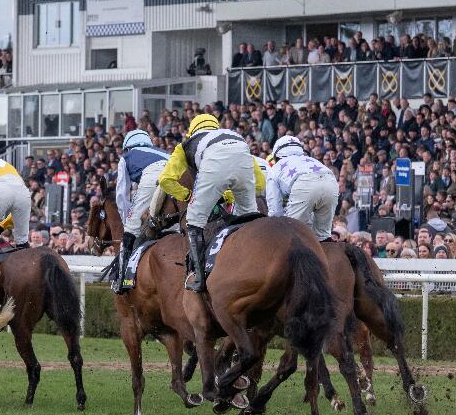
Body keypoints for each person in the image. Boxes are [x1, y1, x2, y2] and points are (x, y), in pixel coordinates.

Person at [156, 113, 258, 293]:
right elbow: (261, 182)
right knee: (248, 217)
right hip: (242, 148)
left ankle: (199, 279)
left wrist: (187, 196)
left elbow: (165, 180)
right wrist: (228, 195)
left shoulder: (186, 144)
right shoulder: (230, 134)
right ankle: (258, 260)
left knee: (194, 219)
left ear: (191, 131)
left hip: (213, 161)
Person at [113, 129, 170, 294]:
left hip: (152, 177)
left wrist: (127, 220)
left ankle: (121, 280)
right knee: (171, 227)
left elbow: (121, 194)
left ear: (127, 147)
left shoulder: (127, 157)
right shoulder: (163, 152)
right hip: (174, 175)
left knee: (131, 229)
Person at [266, 135, 339, 242]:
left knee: (291, 234)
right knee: (323, 236)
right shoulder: (311, 160)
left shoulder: (275, 168)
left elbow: (275, 211)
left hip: (304, 184)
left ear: (276, 155)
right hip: (331, 182)